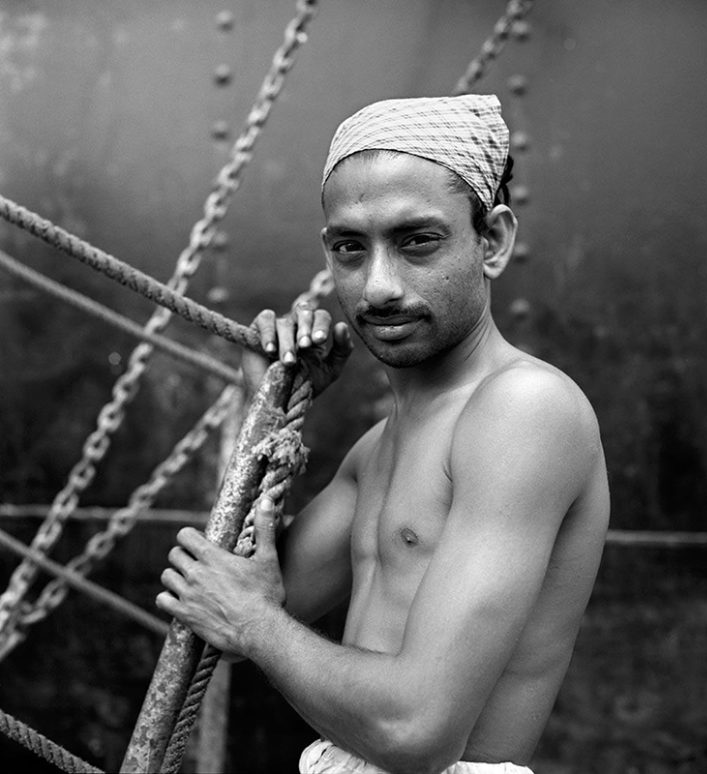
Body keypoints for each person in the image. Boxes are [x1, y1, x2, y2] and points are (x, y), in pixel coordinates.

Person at [155, 95, 610, 774]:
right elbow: (243, 600)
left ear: (493, 241)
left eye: (416, 240)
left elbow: (414, 732)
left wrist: (253, 621)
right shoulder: (378, 449)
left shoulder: (525, 409)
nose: (378, 287)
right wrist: (269, 406)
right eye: (350, 249)